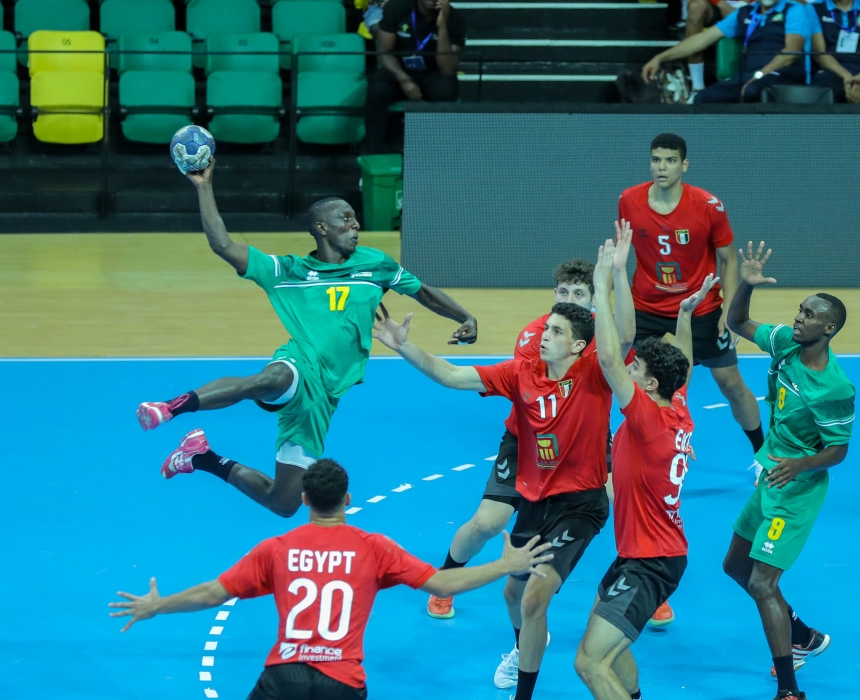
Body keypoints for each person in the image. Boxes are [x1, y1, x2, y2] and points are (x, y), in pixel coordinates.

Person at [136, 159, 477, 518]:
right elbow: (223, 244)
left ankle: (199, 456)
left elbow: (423, 292)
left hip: (325, 396)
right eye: (344, 218)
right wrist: (203, 186)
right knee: (271, 379)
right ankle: (171, 407)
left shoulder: (375, 264)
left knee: (282, 503)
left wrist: (464, 316)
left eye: (354, 218)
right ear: (320, 227)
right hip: (301, 363)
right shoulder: (290, 271)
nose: (355, 224)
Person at [109, 459, 554, 700]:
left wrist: (156, 605)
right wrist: (504, 563)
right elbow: (444, 586)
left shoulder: (276, 550)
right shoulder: (374, 548)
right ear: (348, 499)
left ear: (304, 500)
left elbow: (211, 594)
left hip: (282, 678)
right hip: (341, 683)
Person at [373, 292, 632, 700]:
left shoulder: (593, 376)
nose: (543, 335)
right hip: (536, 501)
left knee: (532, 598)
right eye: (547, 327)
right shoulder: (520, 372)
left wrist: (612, 274)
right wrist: (404, 346)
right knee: (513, 593)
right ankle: (523, 646)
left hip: (580, 506)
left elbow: (627, 335)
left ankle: (523, 695)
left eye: (557, 331)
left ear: (579, 345)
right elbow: (452, 376)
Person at [425, 234, 635, 624]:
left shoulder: (599, 336)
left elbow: (624, 337)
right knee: (487, 523)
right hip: (528, 442)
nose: (568, 298)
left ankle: (639, 581)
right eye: (562, 290)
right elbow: (534, 394)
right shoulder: (539, 336)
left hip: (583, 441)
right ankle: (448, 576)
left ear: (592, 299)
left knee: (621, 502)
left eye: (578, 292)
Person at [573, 246, 713, 700]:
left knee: (589, 663)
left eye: (639, 370)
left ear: (649, 385)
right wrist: (686, 317)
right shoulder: (677, 407)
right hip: (646, 553)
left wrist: (601, 290)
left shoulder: (649, 419)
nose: (629, 370)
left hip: (651, 562)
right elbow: (684, 366)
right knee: (608, 646)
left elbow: (611, 361)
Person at [723, 242, 856, 700]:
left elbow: (838, 450)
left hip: (797, 488)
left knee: (762, 582)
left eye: (809, 314)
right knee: (735, 566)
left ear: (829, 327)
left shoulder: (833, 386)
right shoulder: (784, 343)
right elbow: (736, 323)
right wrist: (746, 283)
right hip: (771, 473)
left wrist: (800, 463)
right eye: (799, 310)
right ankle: (802, 636)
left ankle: (789, 688)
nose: (799, 318)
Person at [618, 133, 765, 476]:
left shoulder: (708, 205)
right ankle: (637, 452)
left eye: (670, 160)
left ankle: (764, 454)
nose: (662, 167)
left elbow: (727, 259)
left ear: (684, 165)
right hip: (646, 307)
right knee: (631, 380)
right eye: (656, 160)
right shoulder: (628, 200)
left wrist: (729, 313)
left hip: (699, 305)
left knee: (730, 383)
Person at [642, 0, 811, 103]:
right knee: (703, 98)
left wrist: (758, 75)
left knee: (751, 90)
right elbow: (702, 40)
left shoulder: (793, 9)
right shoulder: (745, 13)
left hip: (784, 74)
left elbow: (791, 52)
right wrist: (660, 57)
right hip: (749, 77)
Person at [364, 0, 464, 153]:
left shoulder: (454, 18)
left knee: (447, 88)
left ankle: (437, 154)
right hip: (399, 70)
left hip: (433, 73)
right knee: (377, 89)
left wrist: (442, 26)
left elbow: (447, 69)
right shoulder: (397, 8)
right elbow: (384, 52)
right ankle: (372, 154)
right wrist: (405, 80)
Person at [684, 0, 749, 92]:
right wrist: (721, 4)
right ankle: (697, 86)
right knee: (695, 7)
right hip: (717, 5)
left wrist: (744, 4)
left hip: (754, 4)